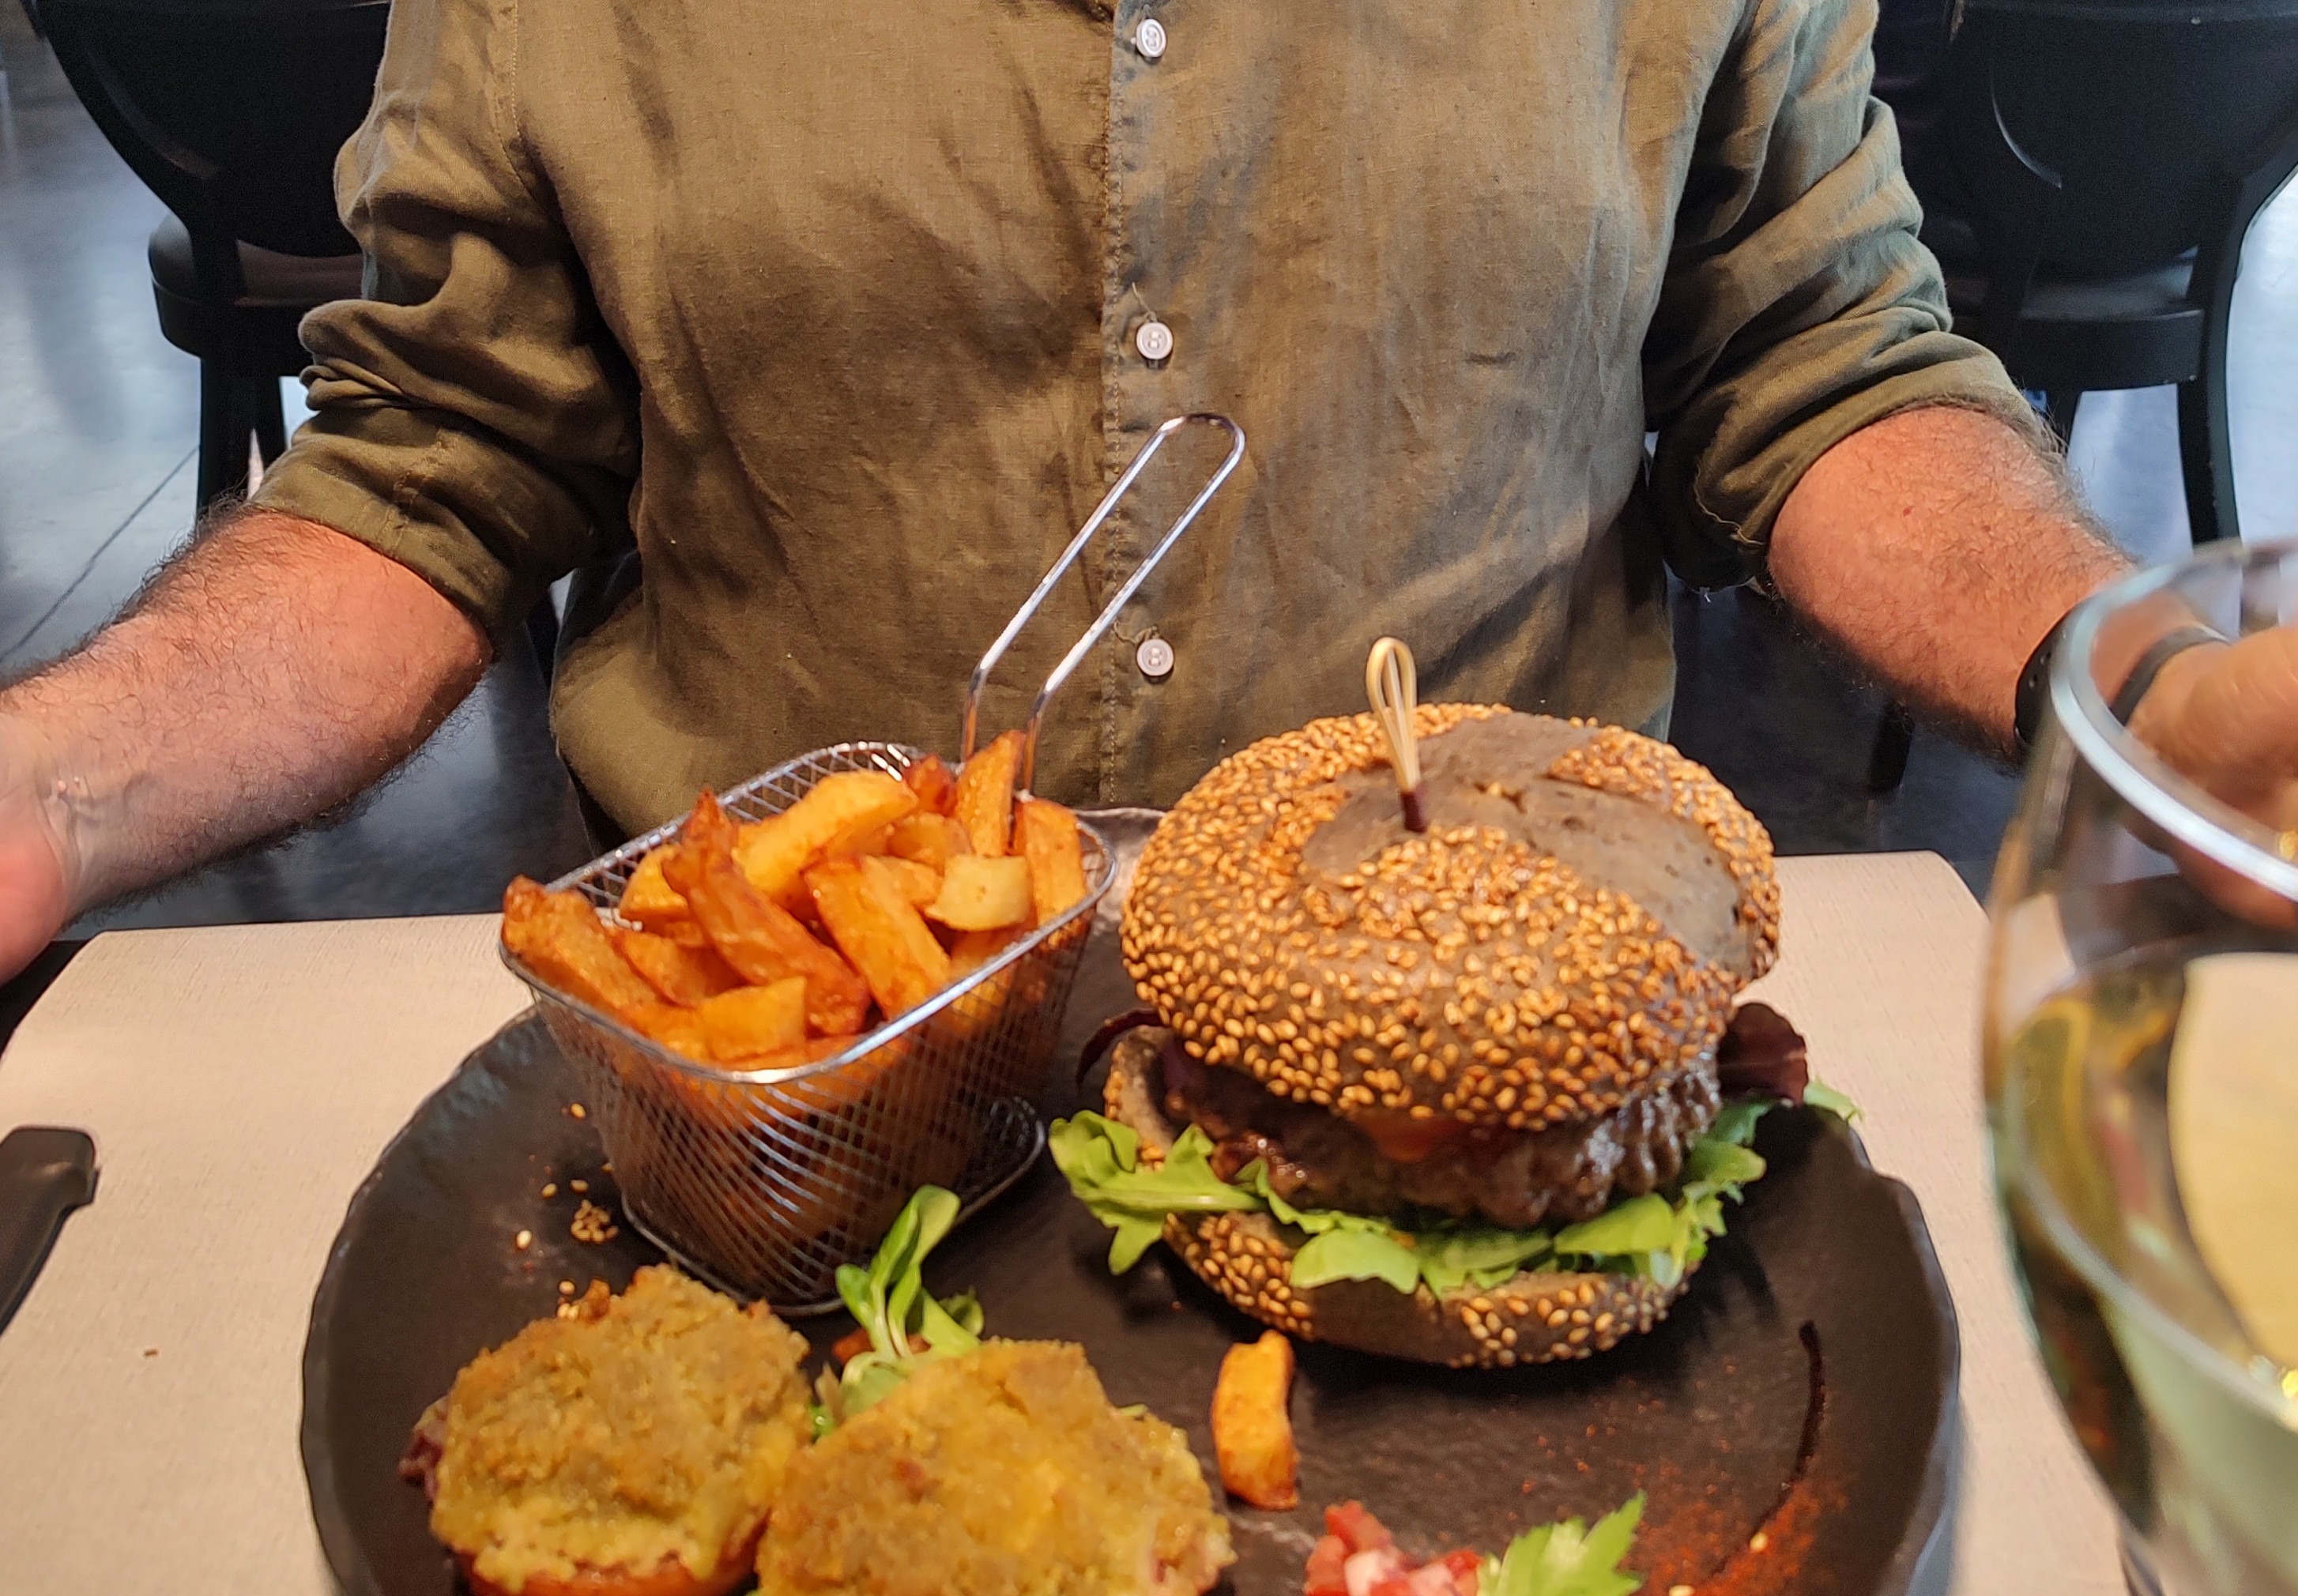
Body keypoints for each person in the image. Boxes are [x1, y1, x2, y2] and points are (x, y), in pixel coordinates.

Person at [1, 0, 2292, 984]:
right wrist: (54, 784)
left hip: (1488, 1042)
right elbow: (441, 454)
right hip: (790, 1094)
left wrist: (2136, 689)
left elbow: (1819, 356)